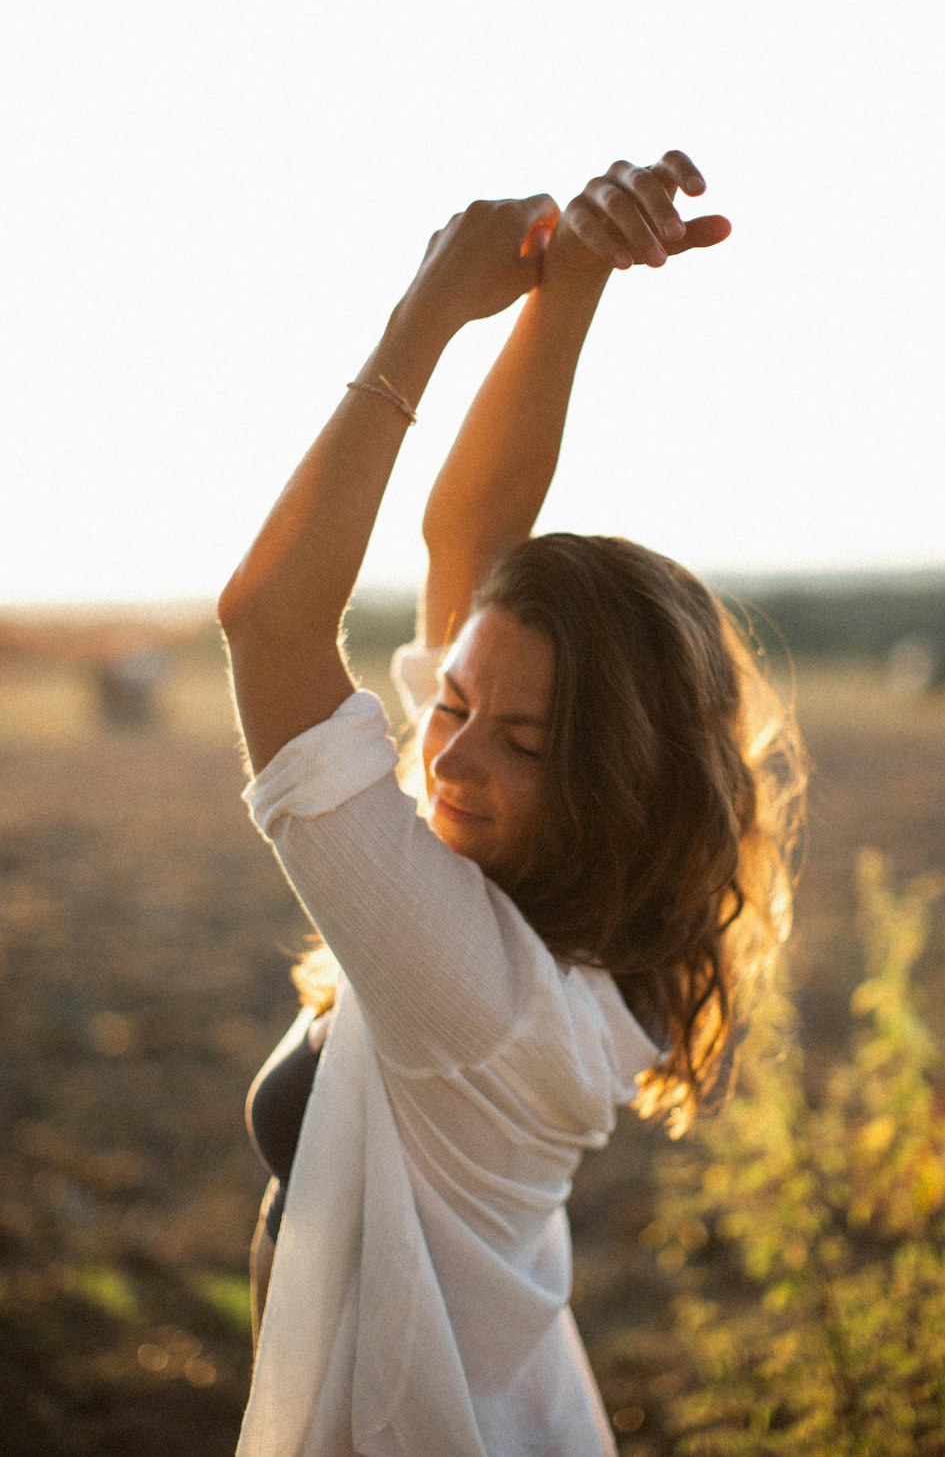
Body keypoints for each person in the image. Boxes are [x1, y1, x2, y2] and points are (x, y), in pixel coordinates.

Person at [219, 149, 805, 1457]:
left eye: (523, 738)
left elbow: (267, 624)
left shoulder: (486, 994)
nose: (451, 756)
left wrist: (426, 307)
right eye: (456, 703)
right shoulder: (570, 917)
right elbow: (470, 542)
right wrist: (573, 283)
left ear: (613, 782)